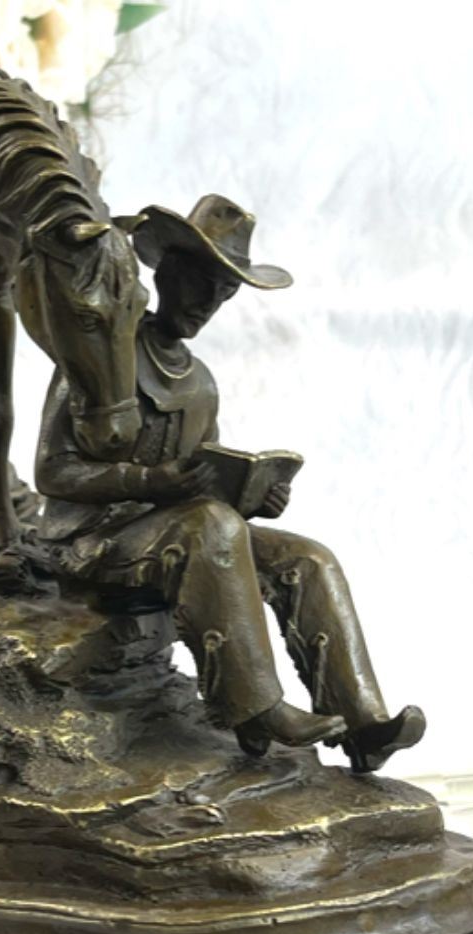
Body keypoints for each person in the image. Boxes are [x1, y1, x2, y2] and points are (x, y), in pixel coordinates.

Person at [34, 194, 424, 770]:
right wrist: (151, 480)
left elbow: (204, 484)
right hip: (95, 543)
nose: (207, 304)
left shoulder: (201, 382)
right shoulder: (103, 356)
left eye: (223, 294)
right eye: (200, 285)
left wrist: (253, 495)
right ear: (167, 276)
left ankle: (363, 722)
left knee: (307, 558)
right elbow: (52, 471)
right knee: (211, 525)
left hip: (179, 532)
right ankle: (254, 706)